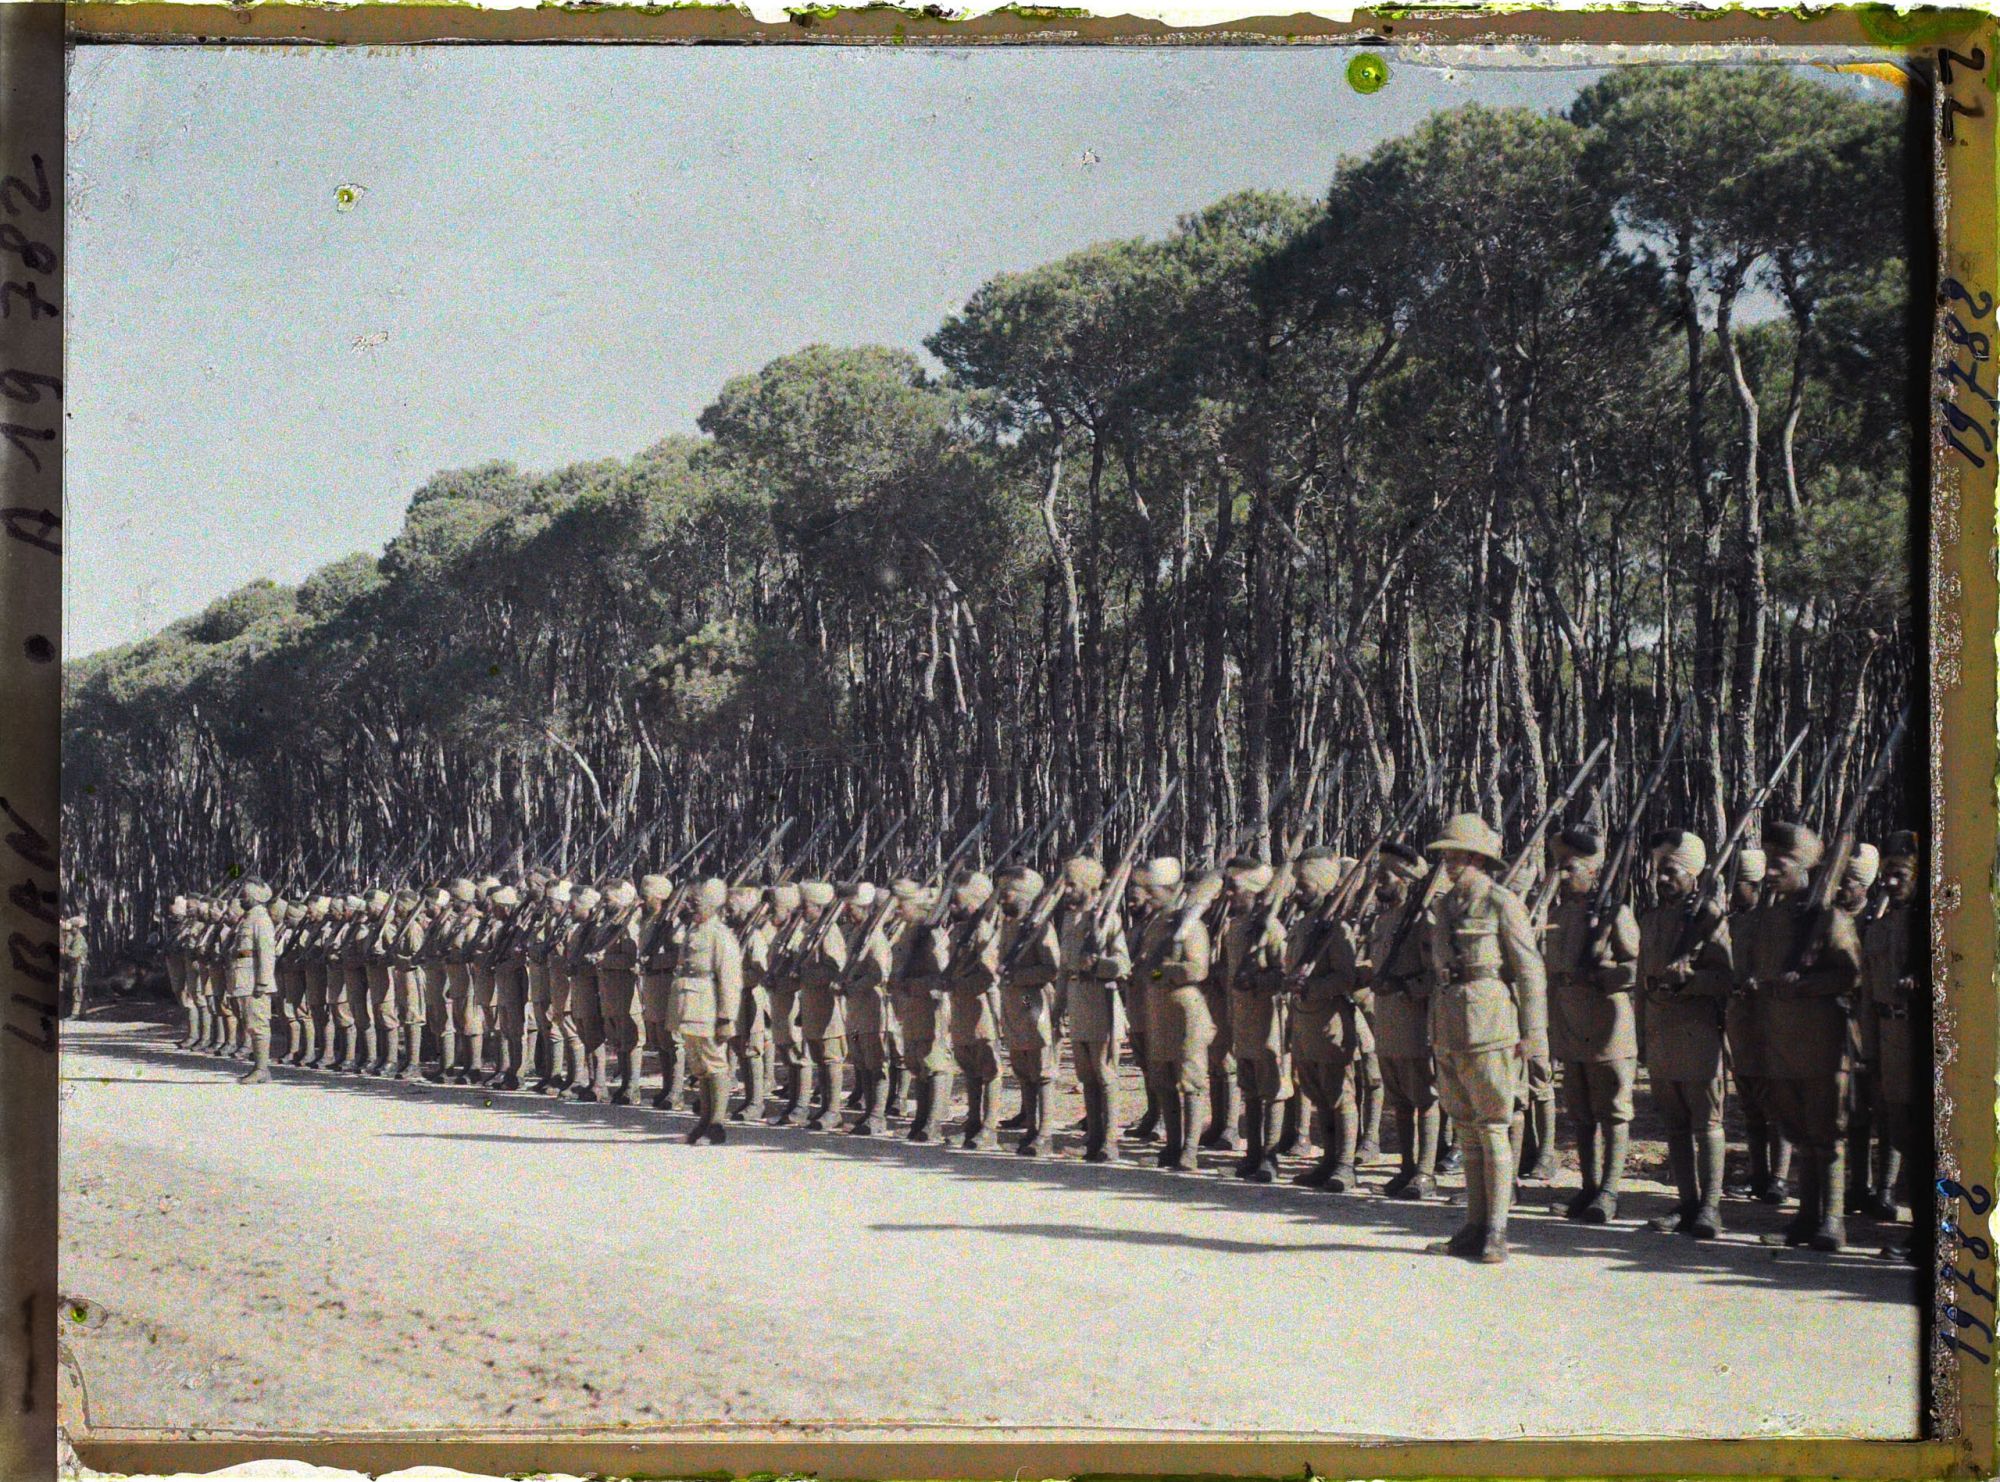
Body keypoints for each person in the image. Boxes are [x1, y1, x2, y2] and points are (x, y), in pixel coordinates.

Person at [1423, 814, 1546, 1265]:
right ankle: (1474, 1226)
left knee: (1493, 1126)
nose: (1448, 863)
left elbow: (1530, 970)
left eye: (1455, 855)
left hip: (1492, 1024)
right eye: (1445, 855)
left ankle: (1497, 1230)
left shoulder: (1500, 902)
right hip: (1451, 1024)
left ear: (1477, 858)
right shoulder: (1443, 906)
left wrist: (1533, 1034)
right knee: (1467, 1130)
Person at [1740, 823, 1865, 1253]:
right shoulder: (1772, 918)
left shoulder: (1830, 917)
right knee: (1798, 1131)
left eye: (1780, 864)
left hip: (1821, 1045)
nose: (1770, 872)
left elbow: (1850, 974)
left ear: (1806, 868)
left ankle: (1832, 1222)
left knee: (1827, 1134)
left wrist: (1803, 985)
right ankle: (1806, 1218)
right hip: (1780, 1043)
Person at [1541, 826, 1641, 1223]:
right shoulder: (1557, 915)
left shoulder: (1617, 913)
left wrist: (1602, 974)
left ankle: (1610, 1191)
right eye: (1559, 869)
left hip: (1607, 1027)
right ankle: (1588, 1187)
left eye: (1570, 869)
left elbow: (1635, 967)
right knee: (1581, 1113)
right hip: (1569, 1025)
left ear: (1594, 872)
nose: (1562, 876)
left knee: (1614, 1111)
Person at [1637, 829, 1733, 1239]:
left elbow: (1726, 977)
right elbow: (1643, 981)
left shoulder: (1712, 916)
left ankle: (1711, 1207)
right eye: (1659, 871)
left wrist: (1689, 978)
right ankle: (1687, 1201)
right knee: (1675, 1126)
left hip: (1697, 1034)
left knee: (1706, 1123)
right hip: (1662, 1034)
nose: (1662, 879)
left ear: (1694, 874)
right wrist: (1642, 1037)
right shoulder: (1653, 919)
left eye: (1672, 872)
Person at [1284, 849, 1366, 1190]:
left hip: (1330, 1023)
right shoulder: (1304, 925)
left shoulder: (1336, 930)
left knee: (1340, 1096)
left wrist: (1311, 986)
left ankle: (1345, 1164)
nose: (1297, 893)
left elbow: (1346, 978)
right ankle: (1328, 1159)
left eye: (1304, 886)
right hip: (1305, 1022)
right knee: (1318, 1095)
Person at [1361, 843, 1438, 1200]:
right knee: (1400, 1101)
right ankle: (1405, 1168)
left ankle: (1424, 1172)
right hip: (1387, 1023)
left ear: (1406, 879)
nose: (1379, 883)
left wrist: (1404, 985)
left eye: (1385, 877)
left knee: (1425, 1099)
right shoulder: (1384, 919)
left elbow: (1436, 975)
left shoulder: (1424, 921)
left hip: (1414, 1023)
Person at [1131, 857, 1215, 1173]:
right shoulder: (1156, 924)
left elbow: (1198, 969)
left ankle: (1190, 1150)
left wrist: (1162, 971)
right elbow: (1148, 973)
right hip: (1158, 1011)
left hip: (1185, 1013)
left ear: (1168, 889)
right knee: (1163, 1080)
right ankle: (1172, 1145)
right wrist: (1151, 974)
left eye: (1152, 891)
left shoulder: (1190, 925)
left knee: (1190, 1082)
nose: (1146, 897)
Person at [1861, 830, 1919, 1239]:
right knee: (1895, 1126)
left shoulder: (1932, 924)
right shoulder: (1879, 926)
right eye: (1886, 875)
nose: (1891, 882)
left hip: (1918, 1038)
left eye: (1900, 874)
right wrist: (1870, 1045)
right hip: (1886, 1034)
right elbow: (1868, 989)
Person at [1723, 845, 1789, 1201]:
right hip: (1741, 1023)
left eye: (1741, 884)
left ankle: (1779, 1177)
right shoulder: (1733, 922)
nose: (1736, 890)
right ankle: (1758, 1174)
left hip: (1772, 1024)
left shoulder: (1779, 922)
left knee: (1775, 1104)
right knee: (1750, 1104)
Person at [1056, 856, 1132, 1164]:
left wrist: (1099, 965)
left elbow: (1124, 965)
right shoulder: (1069, 920)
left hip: (1101, 1002)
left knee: (1104, 1073)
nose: (1067, 890)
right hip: (1077, 1001)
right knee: (1086, 1075)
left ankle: (1110, 1140)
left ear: (1089, 887)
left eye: (1072, 885)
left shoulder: (1107, 919)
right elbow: (1063, 969)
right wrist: (1057, 1007)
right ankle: (1094, 1137)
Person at [1219, 856, 1290, 1183]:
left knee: (1272, 1088)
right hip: (1242, 1019)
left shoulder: (1271, 929)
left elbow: (1285, 976)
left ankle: (1271, 1156)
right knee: (1249, 1087)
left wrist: (1257, 981)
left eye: (1235, 890)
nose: (1229, 895)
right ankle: (1253, 1152)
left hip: (1267, 1020)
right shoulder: (1235, 928)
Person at [995, 866, 1061, 1156]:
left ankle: (1044, 1132)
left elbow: (1051, 969)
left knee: (1041, 1067)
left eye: (1007, 895)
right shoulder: (1009, 926)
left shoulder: (1040, 928)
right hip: (1013, 1002)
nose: (1002, 901)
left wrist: (1017, 976)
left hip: (1031, 1001)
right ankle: (1031, 1128)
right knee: (1024, 1067)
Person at [672, 878, 744, 1145]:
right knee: (701, 1068)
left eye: (695, 900)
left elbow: (730, 978)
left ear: (712, 904)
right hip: (690, 1005)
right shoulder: (694, 930)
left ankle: (716, 1125)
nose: (689, 905)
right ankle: (703, 1122)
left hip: (708, 1007)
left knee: (715, 1066)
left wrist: (727, 1017)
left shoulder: (720, 934)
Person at [941, 872, 1004, 1149]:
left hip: (982, 1011)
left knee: (989, 1070)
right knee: (970, 1070)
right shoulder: (959, 931)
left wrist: (961, 983)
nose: (953, 908)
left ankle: (989, 1126)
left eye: (959, 902)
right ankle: (973, 1122)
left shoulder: (983, 932)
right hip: (962, 1010)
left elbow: (990, 976)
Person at [890, 880, 952, 1144]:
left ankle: (934, 1122)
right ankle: (921, 1119)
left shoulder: (931, 935)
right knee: (917, 1060)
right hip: (912, 1005)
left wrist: (913, 984)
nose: (896, 910)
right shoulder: (909, 932)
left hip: (930, 1004)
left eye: (901, 905)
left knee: (935, 1061)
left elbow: (941, 976)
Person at [795, 880, 850, 1131]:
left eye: (805, 905)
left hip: (827, 1006)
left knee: (831, 1059)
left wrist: (807, 975)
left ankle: (833, 1110)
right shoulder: (812, 930)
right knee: (819, 1058)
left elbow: (835, 969)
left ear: (818, 906)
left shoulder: (829, 932)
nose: (801, 910)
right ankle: (825, 1106)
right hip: (812, 1003)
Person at [841, 882, 894, 1135]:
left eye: (851, 908)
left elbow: (878, 974)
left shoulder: (876, 938)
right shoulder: (855, 934)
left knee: (875, 1063)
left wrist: (854, 986)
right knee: (861, 1061)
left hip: (871, 1009)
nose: (847, 913)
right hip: (854, 1011)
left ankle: (877, 1115)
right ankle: (867, 1111)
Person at [593, 878, 645, 1104]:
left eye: (608, 899)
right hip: (609, 989)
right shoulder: (611, 923)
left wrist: (605, 960)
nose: (604, 903)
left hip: (625, 989)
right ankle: (624, 1084)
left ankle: (633, 1087)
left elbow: (629, 958)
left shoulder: (630, 924)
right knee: (619, 1038)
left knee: (631, 1039)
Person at [728, 884, 774, 1121]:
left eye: (733, 907)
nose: (728, 911)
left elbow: (759, 971)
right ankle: (748, 1100)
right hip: (733, 998)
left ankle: (757, 1102)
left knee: (752, 1049)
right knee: (739, 1047)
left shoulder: (754, 936)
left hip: (750, 997)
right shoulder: (733, 934)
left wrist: (735, 980)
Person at [230, 879, 280, 1083]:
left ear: (255, 898)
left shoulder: (261, 920)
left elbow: (267, 953)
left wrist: (263, 982)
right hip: (244, 978)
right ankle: (259, 1068)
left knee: (258, 1023)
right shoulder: (248, 918)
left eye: (245, 895)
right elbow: (245, 951)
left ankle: (261, 1069)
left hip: (254, 981)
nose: (241, 898)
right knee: (251, 1023)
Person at [59, 911, 89, 1020]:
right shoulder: (75, 938)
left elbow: (75, 954)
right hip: (75, 966)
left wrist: (64, 952)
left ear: (76, 927)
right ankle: (81, 1013)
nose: (71, 930)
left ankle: (75, 1014)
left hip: (78, 966)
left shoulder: (79, 939)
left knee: (77, 989)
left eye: (72, 928)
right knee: (75, 988)